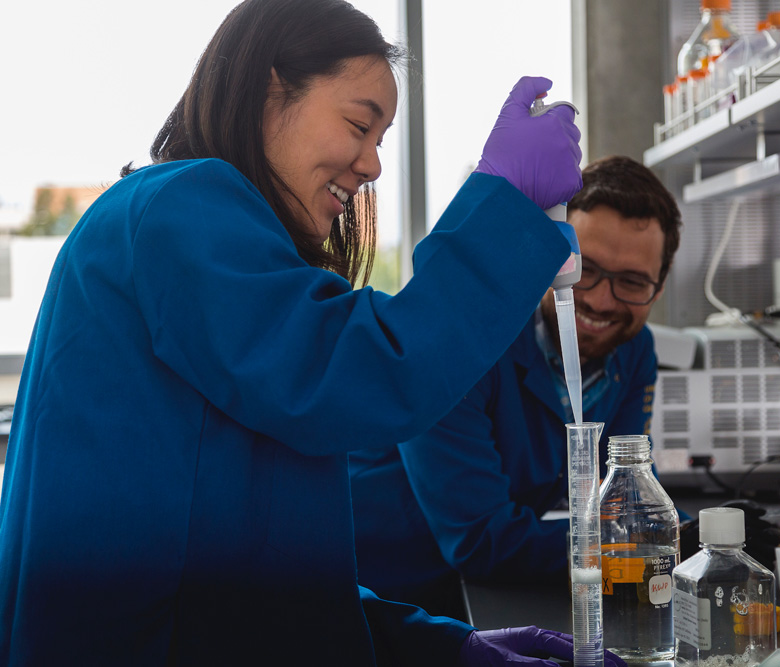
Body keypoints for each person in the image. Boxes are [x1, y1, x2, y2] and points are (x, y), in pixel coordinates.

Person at [0, 1, 631, 665]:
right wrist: (501, 201)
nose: (373, 166)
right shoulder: (180, 207)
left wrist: (448, 646)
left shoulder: (218, 251)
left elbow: (265, 585)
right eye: (360, 124)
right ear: (272, 89)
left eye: (382, 140)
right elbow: (367, 371)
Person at [350, 155, 684, 616]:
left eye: (631, 281)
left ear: (659, 286)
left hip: (484, 591)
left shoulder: (633, 348)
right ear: (550, 252)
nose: (601, 301)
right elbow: (482, 539)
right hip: (382, 589)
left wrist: (695, 533)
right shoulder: (464, 339)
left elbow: (626, 496)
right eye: (584, 269)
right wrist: (672, 545)